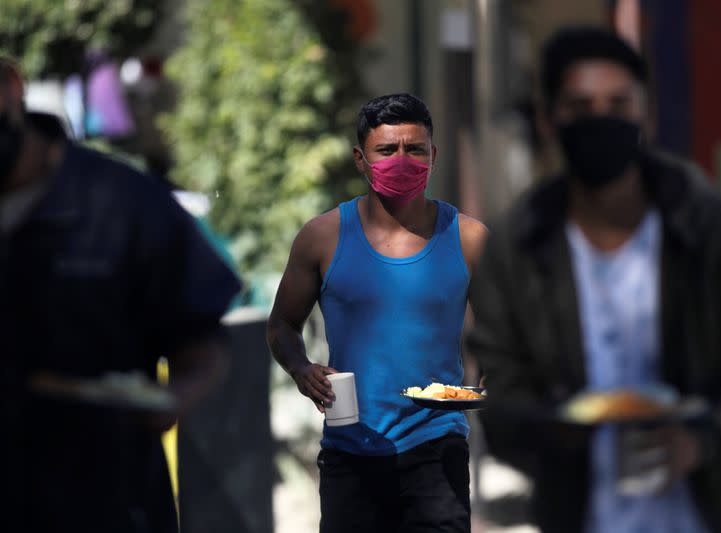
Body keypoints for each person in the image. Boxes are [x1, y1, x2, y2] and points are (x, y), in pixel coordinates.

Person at [466, 27, 721, 533]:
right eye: (581, 106)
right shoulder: (519, 248)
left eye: (618, 103)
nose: (602, 119)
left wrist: (705, 440)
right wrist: (557, 431)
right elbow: (498, 399)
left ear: (646, 112)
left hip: (720, 516)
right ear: (549, 118)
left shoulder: (709, 228)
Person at [0, 57, 241, 532]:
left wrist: (177, 395)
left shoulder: (123, 203)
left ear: (10, 87)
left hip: (102, 501)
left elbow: (202, 338)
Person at [267, 93, 488, 532]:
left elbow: (507, 328)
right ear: (360, 159)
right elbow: (282, 326)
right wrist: (300, 369)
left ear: (433, 155)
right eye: (387, 150)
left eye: (415, 149)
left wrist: (497, 372)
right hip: (350, 450)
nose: (401, 160)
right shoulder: (322, 237)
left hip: (436, 447)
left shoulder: (468, 238)